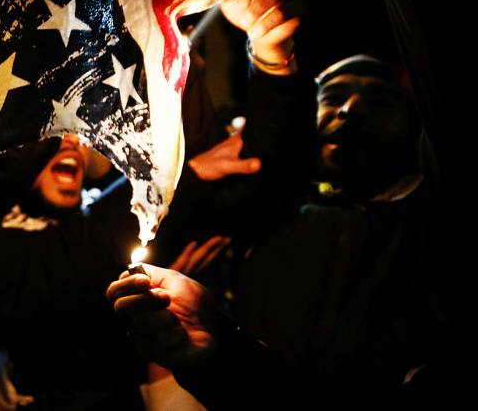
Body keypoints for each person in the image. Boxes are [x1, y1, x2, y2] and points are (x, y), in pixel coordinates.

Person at [106, 54, 456, 409]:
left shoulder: (439, 229)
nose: (349, 110)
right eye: (332, 97)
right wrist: (216, 348)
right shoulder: (265, 216)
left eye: (380, 102)